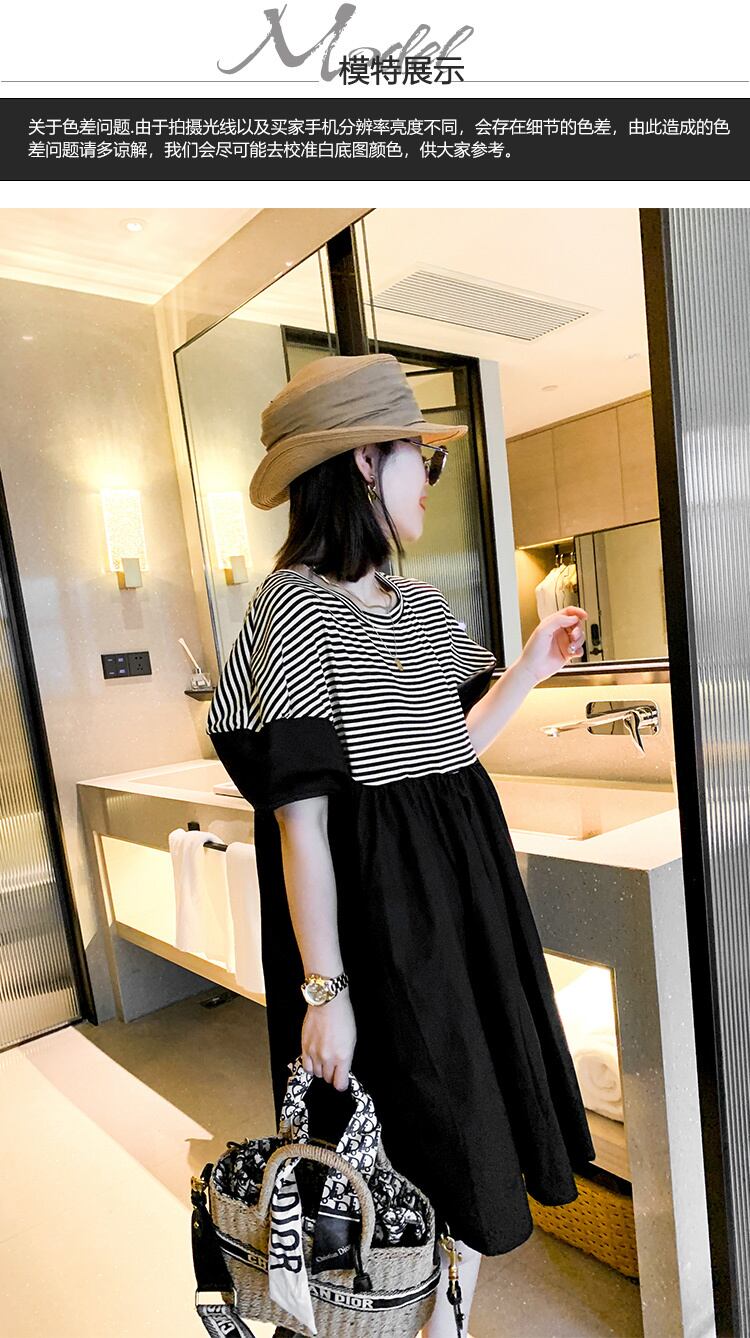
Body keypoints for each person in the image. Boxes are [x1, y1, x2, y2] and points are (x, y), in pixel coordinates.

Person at [206, 352, 596, 1338]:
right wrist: (325, 991)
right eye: (420, 454)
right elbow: (301, 824)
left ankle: (448, 1323)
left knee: (476, 1137)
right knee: (405, 1149)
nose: (429, 475)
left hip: (466, 911)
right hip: (381, 937)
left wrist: (532, 666)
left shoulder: (420, 606)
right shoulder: (293, 609)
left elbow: (453, 746)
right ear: (362, 463)